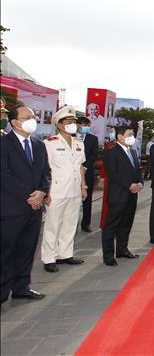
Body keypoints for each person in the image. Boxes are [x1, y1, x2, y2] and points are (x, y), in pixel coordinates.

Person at [1, 105, 50, 303]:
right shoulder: (3, 144)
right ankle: (2, 293)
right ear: (15, 122)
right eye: (28, 117)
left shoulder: (39, 145)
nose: (33, 119)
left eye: (33, 116)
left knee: (27, 249)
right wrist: (29, 195)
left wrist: (42, 191)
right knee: (6, 252)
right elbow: (4, 175)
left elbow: (45, 172)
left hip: (34, 208)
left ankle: (22, 287)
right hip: (11, 208)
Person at [41, 106, 87, 272]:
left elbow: (81, 166)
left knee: (70, 223)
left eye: (74, 122)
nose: (72, 125)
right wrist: (46, 191)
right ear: (59, 125)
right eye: (68, 122)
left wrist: (84, 186)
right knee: (53, 225)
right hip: (56, 191)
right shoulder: (50, 143)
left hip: (74, 190)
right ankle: (49, 258)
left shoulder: (79, 143)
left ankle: (65, 254)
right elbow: (45, 169)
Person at [101, 125, 143, 266]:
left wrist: (140, 183)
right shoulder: (111, 151)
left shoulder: (133, 151)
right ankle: (108, 256)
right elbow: (113, 174)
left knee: (126, 223)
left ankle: (122, 249)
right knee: (111, 226)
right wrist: (129, 185)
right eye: (130, 134)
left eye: (133, 134)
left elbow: (137, 171)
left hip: (132, 195)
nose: (132, 137)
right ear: (120, 136)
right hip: (118, 195)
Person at [77, 116, 98, 232]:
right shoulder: (71, 136)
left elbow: (93, 155)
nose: (88, 128)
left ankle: (86, 223)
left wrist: (85, 167)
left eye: (89, 126)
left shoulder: (93, 139)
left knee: (87, 199)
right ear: (79, 125)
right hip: (72, 174)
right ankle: (72, 224)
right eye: (86, 126)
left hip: (87, 173)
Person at [99, 127, 117, 229]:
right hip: (109, 178)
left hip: (123, 180)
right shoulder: (109, 146)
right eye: (111, 132)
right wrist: (102, 176)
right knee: (107, 203)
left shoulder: (128, 147)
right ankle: (105, 225)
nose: (111, 133)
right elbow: (104, 163)